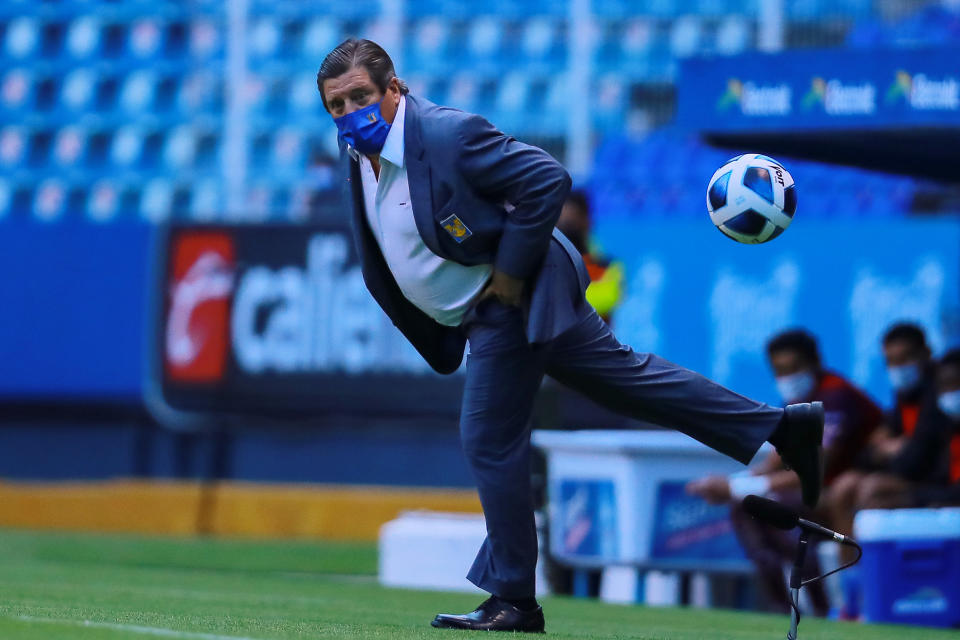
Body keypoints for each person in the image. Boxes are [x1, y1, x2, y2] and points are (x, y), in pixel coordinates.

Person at [317, 39, 824, 633]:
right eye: (337, 104)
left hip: (514, 297)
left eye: (361, 97)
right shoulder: (357, 153)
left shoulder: (448, 135)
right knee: (628, 383)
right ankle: (783, 427)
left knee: (487, 436)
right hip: (484, 309)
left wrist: (506, 277)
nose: (351, 112)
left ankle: (515, 600)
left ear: (394, 90)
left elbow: (546, 179)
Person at [687, 329, 882, 616]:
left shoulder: (836, 395)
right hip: (821, 496)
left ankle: (827, 606)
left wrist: (733, 489)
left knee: (760, 504)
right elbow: (776, 463)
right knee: (749, 507)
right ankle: (781, 607)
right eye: (779, 370)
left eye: (794, 368)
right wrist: (734, 485)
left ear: (815, 363)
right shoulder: (797, 403)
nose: (787, 377)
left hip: (849, 496)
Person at [556, 190, 625, 324]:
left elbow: (605, 302)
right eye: (561, 224)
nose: (565, 230)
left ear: (587, 221)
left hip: (597, 343)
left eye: (571, 223)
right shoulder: (543, 262)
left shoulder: (608, 266)